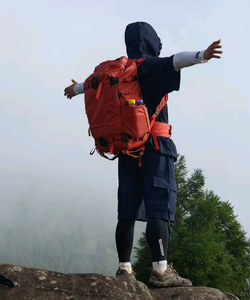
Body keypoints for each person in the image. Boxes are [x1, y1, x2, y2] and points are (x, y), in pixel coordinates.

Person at [64, 21, 222, 287]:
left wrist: (75, 89)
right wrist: (201, 56)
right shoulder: (149, 66)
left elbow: (88, 85)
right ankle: (161, 271)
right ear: (151, 42)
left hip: (126, 149)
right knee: (159, 208)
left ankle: (124, 268)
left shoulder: (116, 71)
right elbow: (176, 61)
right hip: (156, 148)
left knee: (127, 209)